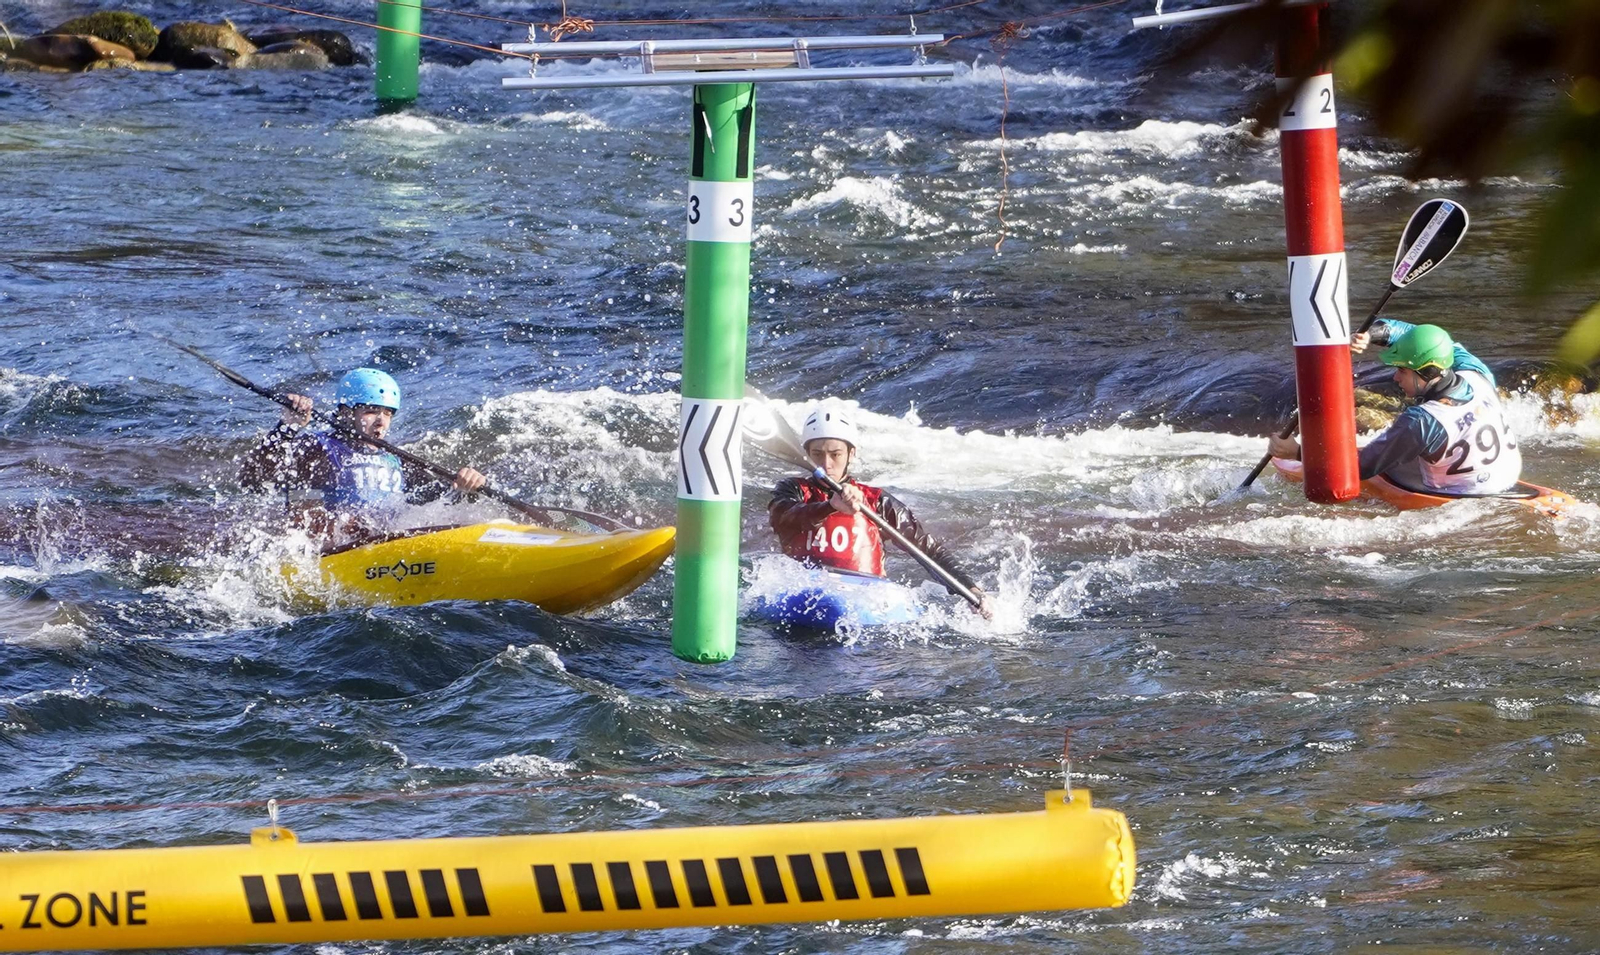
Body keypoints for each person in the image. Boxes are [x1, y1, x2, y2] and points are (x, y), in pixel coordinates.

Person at [769, 406, 993, 617]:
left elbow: (928, 551)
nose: (826, 464)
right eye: (817, 454)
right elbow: (783, 519)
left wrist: (971, 590)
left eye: (835, 454)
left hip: (863, 596)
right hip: (803, 591)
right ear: (806, 453)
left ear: (851, 454)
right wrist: (830, 507)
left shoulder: (876, 501)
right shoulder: (793, 490)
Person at [1268, 321, 1522, 494]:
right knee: (1405, 448)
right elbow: (1425, 336)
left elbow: (1359, 468)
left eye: (1402, 370)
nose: (1395, 378)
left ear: (1428, 372)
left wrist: (1300, 452)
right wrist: (1370, 335)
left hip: (1459, 494)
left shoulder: (1423, 420)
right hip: (1505, 479)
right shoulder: (1477, 374)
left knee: (1380, 461)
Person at [239, 368, 486, 541]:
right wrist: (287, 427)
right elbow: (251, 479)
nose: (381, 423)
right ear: (347, 413)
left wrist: (465, 486)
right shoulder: (318, 449)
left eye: (388, 413)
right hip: (341, 555)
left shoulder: (396, 459)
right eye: (371, 412)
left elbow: (439, 502)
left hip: (385, 546)